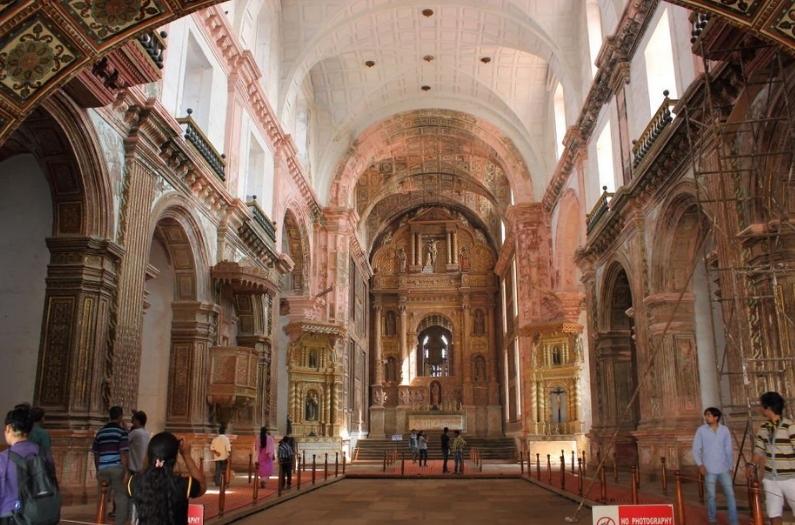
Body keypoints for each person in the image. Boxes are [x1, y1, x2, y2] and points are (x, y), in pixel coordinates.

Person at [128, 432, 206, 525]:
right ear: (174, 458)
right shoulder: (182, 484)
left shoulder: (134, 482)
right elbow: (202, 485)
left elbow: (144, 470)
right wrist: (187, 455)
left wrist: (152, 449)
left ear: (149, 454)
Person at [0, 405, 56, 524]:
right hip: (42, 515)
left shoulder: (3, 458)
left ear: (9, 428)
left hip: (12, 517)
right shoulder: (45, 454)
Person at [752, 391, 795, 525]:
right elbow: (758, 450)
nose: (760, 408)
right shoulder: (764, 428)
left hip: (790, 477)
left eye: (762, 405)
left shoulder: (790, 426)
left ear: (768, 407)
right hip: (770, 478)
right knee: (773, 512)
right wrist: (751, 465)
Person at [692, 407, 739, 525]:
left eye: (708, 415)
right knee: (711, 496)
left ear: (716, 417)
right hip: (709, 469)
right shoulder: (701, 430)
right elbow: (696, 449)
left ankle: (734, 521)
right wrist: (700, 465)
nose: (706, 417)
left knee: (731, 495)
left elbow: (728, 449)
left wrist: (731, 466)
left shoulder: (724, 430)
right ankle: (712, 518)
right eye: (705, 415)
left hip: (724, 468)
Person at [91, 406, 129, 525]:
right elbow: (123, 452)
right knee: (121, 497)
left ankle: (100, 520)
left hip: (102, 468)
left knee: (101, 498)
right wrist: (126, 470)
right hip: (117, 468)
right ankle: (119, 523)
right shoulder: (121, 432)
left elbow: (96, 454)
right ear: (120, 417)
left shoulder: (100, 432)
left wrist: (98, 469)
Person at [128, 411, 150, 476]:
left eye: (133, 420)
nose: (132, 422)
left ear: (137, 421)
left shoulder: (135, 432)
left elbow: (125, 442)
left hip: (135, 467)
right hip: (144, 466)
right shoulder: (146, 433)